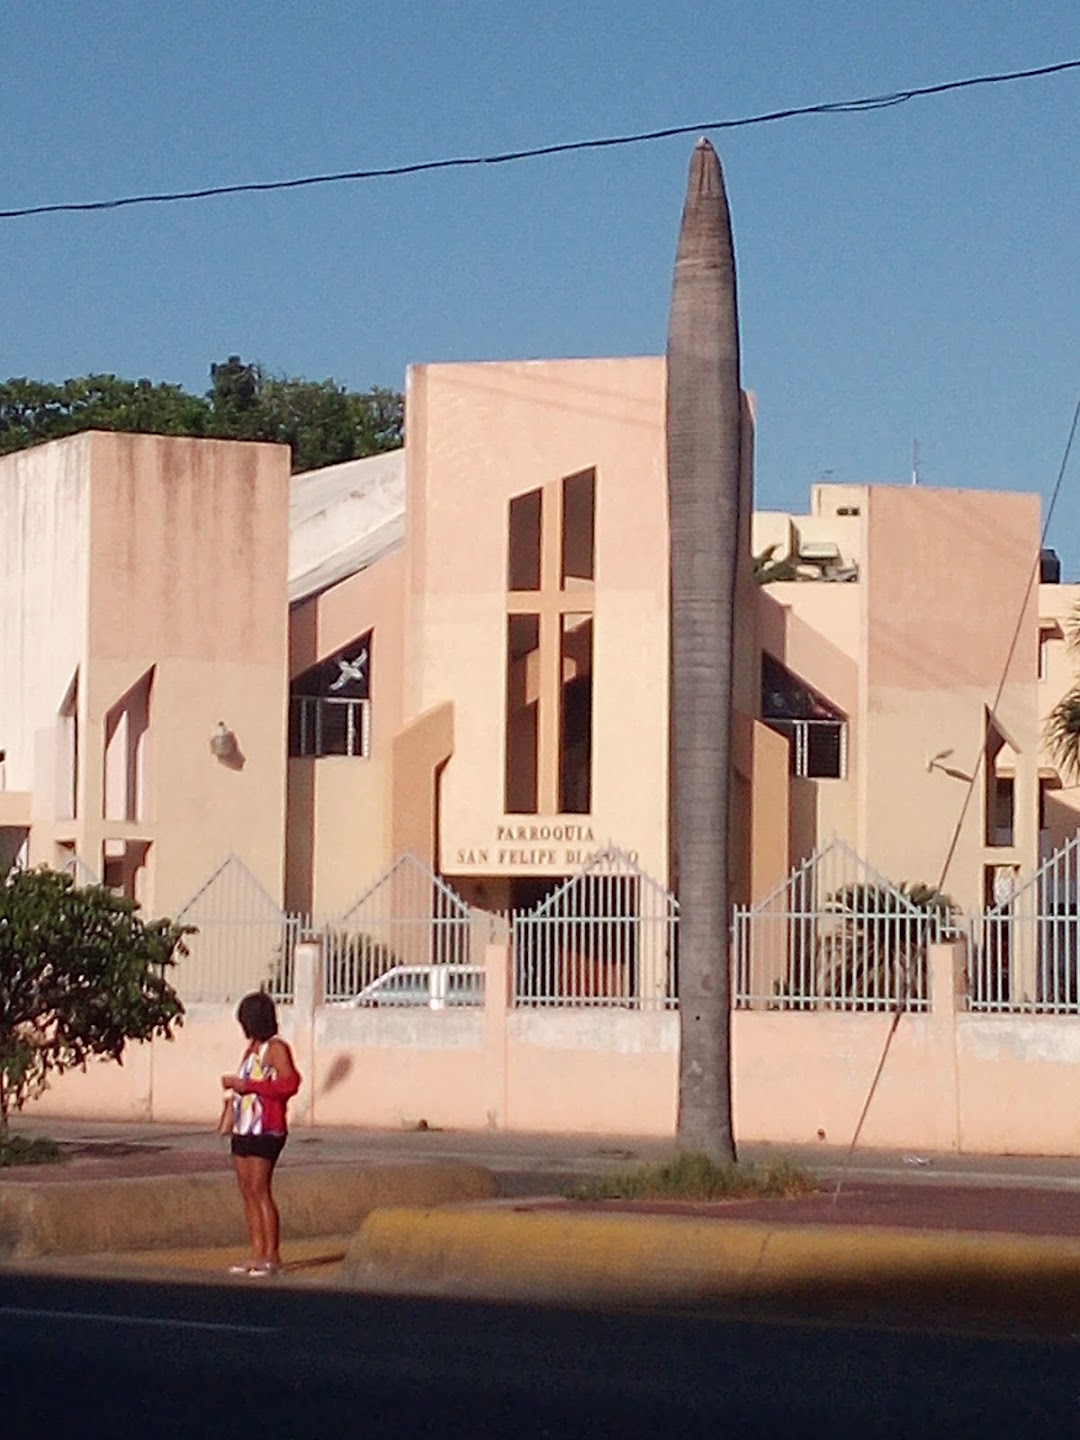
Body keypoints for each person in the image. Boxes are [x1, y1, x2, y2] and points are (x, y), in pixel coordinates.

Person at [220, 991, 301, 1276]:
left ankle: (271, 1254)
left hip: (266, 1127)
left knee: (260, 1189)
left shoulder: (276, 1048)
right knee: (246, 1191)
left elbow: (290, 1084)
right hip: (244, 1125)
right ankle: (256, 1251)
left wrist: (251, 1087)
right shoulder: (252, 1048)